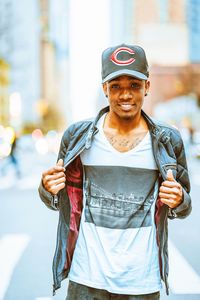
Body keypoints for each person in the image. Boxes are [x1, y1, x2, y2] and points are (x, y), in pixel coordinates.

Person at [38, 44, 191, 300]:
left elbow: (184, 207)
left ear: (147, 87)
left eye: (134, 85)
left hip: (142, 282)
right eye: (116, 86)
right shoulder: (78, 138)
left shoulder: (167, 141)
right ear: (104, 89)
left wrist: (178, 200)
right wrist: (47, 189)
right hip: (86, 278)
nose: (125, 95)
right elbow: (58, 200)